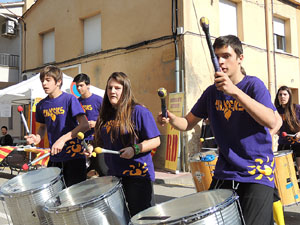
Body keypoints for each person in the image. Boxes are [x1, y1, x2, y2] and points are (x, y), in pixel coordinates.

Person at [157, 35, 282, 225]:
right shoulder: (211, 93)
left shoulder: (253, 85)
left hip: (257, 172)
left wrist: (235, 92)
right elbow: (187, 123)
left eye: (226, 56)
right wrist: (172, 119)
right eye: (217, 57)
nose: (220, 62)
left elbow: (271, 121)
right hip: (225, 171)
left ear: (240, 58)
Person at [92, 72, 160, 217]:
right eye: (109, 88)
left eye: (117, 88)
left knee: (142, 218)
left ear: (126, 90)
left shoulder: (139, 112)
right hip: (114, 177)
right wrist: (90, 148)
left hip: (138, 176)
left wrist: (134, 149)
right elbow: (101, 142)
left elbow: (156, 140)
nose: (112, 91)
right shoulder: (105, 115)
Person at [25, 65, 89, 187]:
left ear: (58, 82)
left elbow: (84, 125)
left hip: (74, 157)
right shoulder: (41, 105)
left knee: (75, 200)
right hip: (55, 158)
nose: (44, 83)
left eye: (48, 80)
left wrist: (63, 139)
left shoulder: (70, 99)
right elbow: (43, 127)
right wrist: (37, 138)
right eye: (42, 80)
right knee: (56, 199)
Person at [73, 73, 104, 176]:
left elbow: (108, 120)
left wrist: (97, 123)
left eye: (81, 85)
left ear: (88, 85)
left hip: (97, 140)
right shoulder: (76, 102)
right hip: (82, 140)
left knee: (100, 170)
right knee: (83, 171)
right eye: (77, 86)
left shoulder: (99, 100)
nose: (78, 88)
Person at [274, 85, 300, 171]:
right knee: (284, 171)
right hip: (283, 144)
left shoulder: (297, 108)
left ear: (290, 96)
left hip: (298, 144)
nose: (282, 97)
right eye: (280, 95)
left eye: (285, 94)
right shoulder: (275, 111)